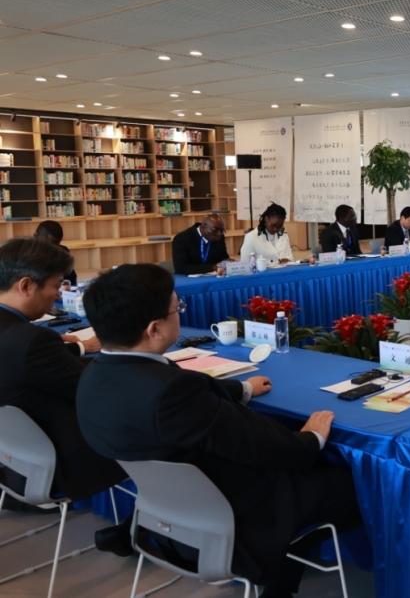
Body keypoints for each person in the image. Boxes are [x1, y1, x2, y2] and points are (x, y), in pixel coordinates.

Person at [76, 264, 360, 597]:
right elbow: (266, 446)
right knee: (349, 483)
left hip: (167, 503)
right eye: (177, 309)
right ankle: (282, 573)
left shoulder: (94, 374)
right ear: (154, 329)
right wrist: (311, 437)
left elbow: (172, 393)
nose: (180, 314)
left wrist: (243, 389)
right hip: (237, 507)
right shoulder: (173, 394)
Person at [0, 239, 125, 544]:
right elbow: (94, 394)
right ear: (26, 285)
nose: (59, 294)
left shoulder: (23, 337)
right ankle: (147, 531)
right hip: (65, 459)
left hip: (13, 457)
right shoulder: (32, 341)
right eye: (56, 285)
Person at [34, 219, 77, 285]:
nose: (34, 235)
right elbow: (72, 280)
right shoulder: (63, 252)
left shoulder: (33, 254)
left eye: (37, 233)